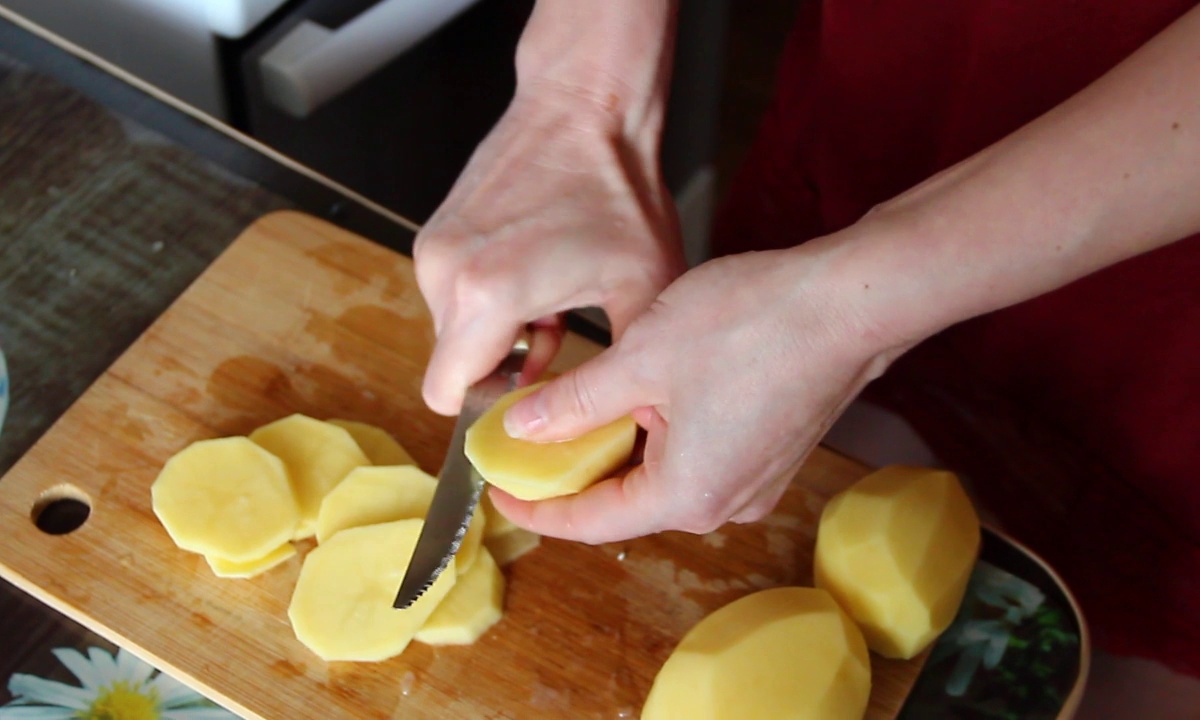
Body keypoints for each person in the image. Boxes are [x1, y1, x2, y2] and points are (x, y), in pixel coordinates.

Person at [412, 0, 1200, 704]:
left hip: (1157, 276)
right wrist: (583, 99)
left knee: (1104, 639)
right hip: (891, 97)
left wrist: (847, 312)